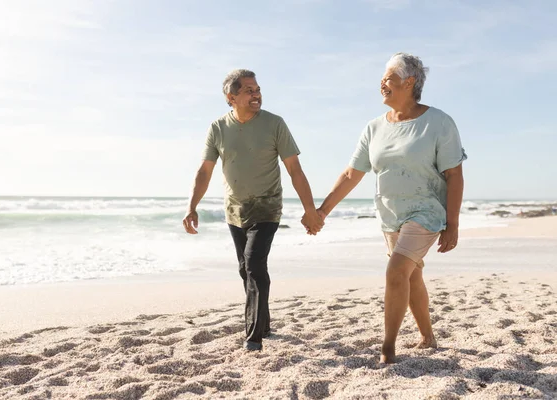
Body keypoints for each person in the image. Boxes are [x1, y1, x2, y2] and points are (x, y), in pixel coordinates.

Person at [310, 53, 467, 363]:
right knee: (411, 277)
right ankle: (428, 336)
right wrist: (322, 211)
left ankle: (388, 348)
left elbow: (454, 175)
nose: (382, 83)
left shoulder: (438, 122)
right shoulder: (374, 128)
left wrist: (453, 224)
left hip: (426, 212)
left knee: (396, 271)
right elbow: (351, 173)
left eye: (389, 78)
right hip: (389, 216)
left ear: (409, 83)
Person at [183, 69, 324, 351]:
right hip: (234, 209)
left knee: (254, 264)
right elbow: (205, 170)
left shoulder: (274, 124)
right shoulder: (218, 128)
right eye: (249, 90)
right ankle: (265, 323)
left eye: (257, 89)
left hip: (267, 205)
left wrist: (311, 210)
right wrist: (192, 206)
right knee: (245, 269)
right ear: (231, 97)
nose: (256, 94)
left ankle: (253, 337)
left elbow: (294, 169)